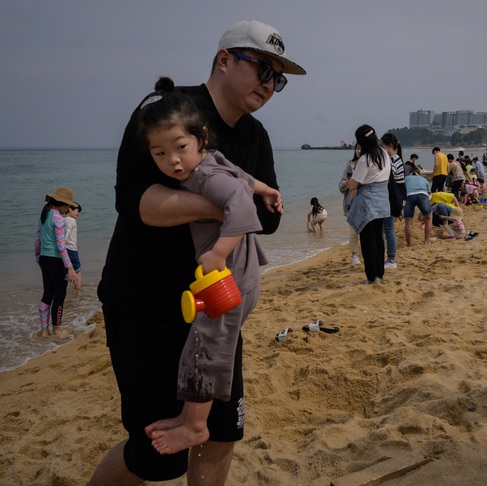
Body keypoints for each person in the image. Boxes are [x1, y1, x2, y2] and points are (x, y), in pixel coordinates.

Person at [91, 20, 305, 485]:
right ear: (224, 59)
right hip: (146, 306)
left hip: (217, 307)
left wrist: (237, 202)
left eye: (279, 78)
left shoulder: (255, 136)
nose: (270, 86)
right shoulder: (166, 111)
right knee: (153, 454)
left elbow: (266, 218)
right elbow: (133, 201)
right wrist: (227, 202)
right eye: (264, 70)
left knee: (222, 435)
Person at [135, 78, 281, 456]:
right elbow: (243, 182)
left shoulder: (205, 175)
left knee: (206, 347)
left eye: (180, 148)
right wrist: (265, 188)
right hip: (238, 279)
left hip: (226, 280)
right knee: (207, 342)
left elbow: (241, 205)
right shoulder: (213, 160)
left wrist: (218, 252)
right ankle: (190, 419)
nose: (173, 161)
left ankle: (196, 426)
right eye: (159, 154)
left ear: (200, 137)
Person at [346, 125, 391, 285]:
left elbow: (353, 185)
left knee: (367, 240)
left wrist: (348, 182)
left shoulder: (365, 159)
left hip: (368, 202)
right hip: (382, 200)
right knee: (379, 237)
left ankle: (372, 278)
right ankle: (380, 273)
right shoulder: (384, 154)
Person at [35, 186, 78, 337]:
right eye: (68, 205)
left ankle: (44, 331)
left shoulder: (44, 215)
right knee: (59, 296)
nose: (68, 208)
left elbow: (37, 240)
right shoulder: (59, 219)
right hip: (57, 261)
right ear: (64, 204)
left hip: (45, 259)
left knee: (47, 294)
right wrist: (70, 267)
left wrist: (38, 259)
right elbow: (61, 246)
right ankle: (57, 329)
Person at [381, 133, 406, 269]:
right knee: (387, 229)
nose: (381, 148)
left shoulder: (393, 161)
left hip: (391, 198)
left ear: (389, 146)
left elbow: (389, 179)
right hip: (394, 198)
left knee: (388, 229)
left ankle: (391, 259)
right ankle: (390, 258)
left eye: (382, 146)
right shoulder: (397, 159)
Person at [339, 146, 362, 265]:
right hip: (351, 203)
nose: (359, 151)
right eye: (357, 148)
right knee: (353, 232)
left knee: (364, 231)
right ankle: (354, 256)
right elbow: (340, 186)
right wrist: (347, 183)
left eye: (361, 148)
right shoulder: (350, 165)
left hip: (365, 202)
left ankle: (365, 253)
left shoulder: (369, 164)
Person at [403, 172, 433, 246]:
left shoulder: (405, 179)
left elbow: (402, 191)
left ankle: (408, 244)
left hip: (409, 195)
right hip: (422, 194)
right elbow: (429, 194)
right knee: (428, 218)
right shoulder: (424, 179)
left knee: (408, 222)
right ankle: (426, 241)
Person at [64, 202, 82, 290]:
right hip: (71, 249)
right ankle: (78, 291)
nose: (78, 213)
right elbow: (66, 235)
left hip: (64, 250)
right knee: (78, 271)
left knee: (65, 271)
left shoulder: (63, 219)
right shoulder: (71, 220)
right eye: (77, 211)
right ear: (70, 209)